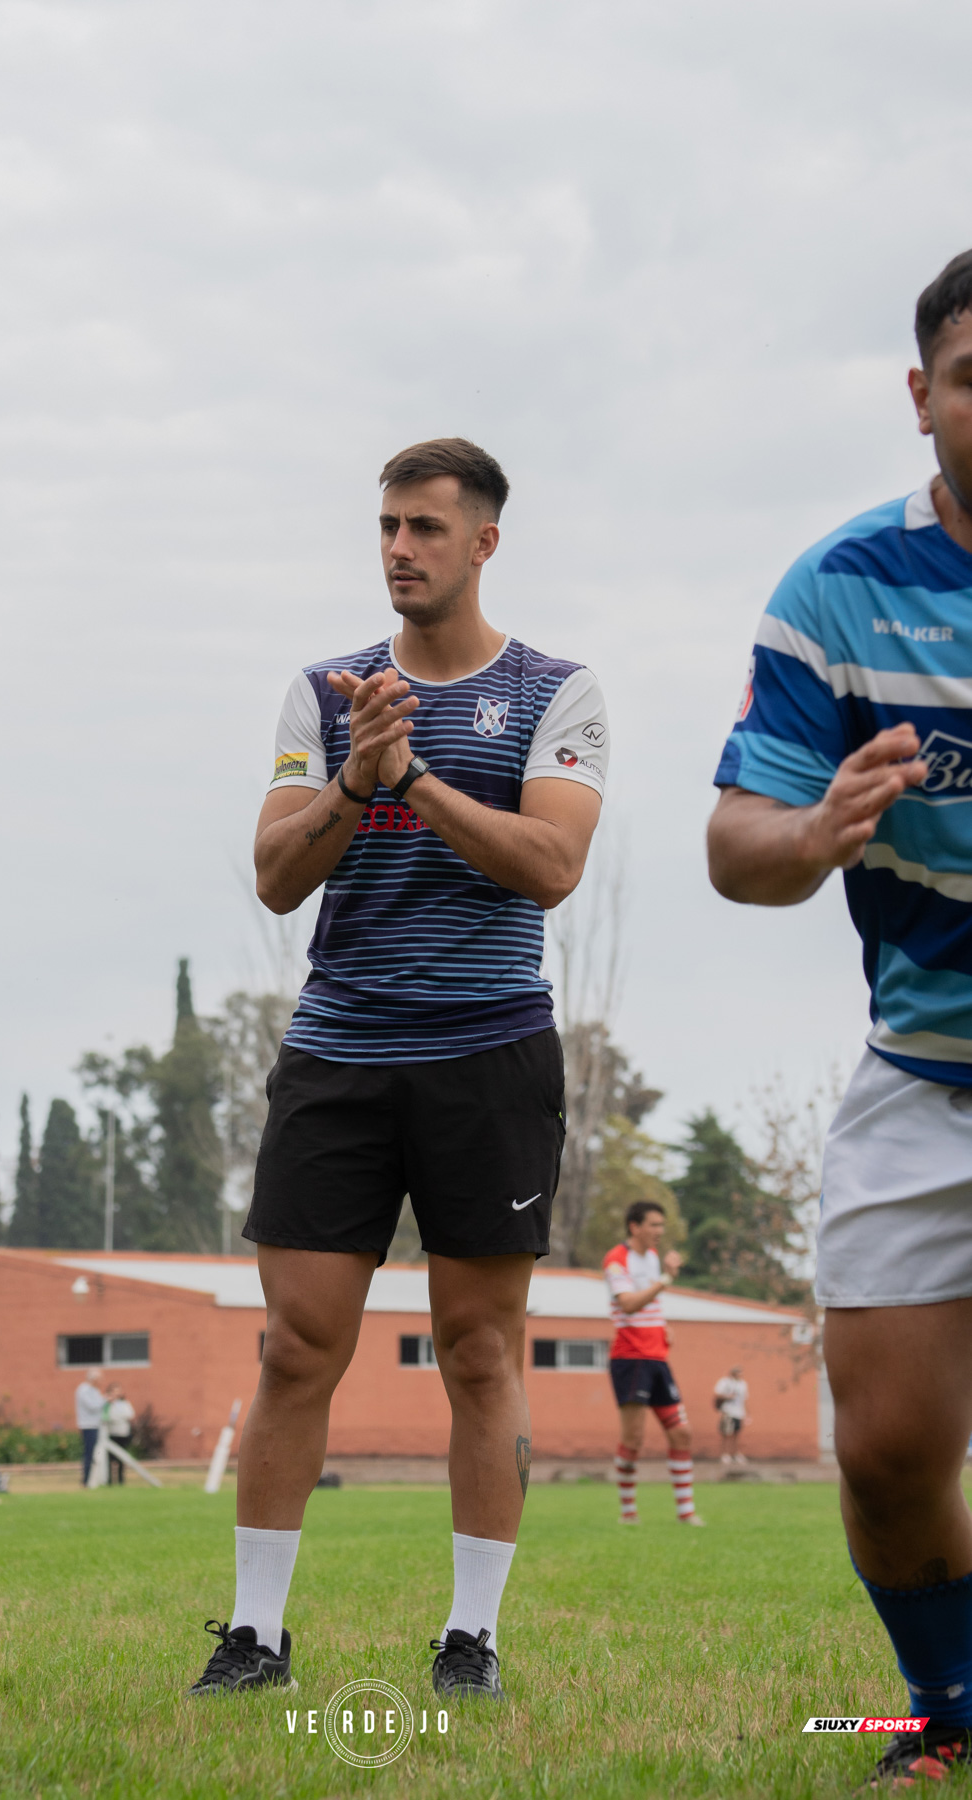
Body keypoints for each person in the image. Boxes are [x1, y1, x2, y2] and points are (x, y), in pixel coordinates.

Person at [187, 438, 607, 1701]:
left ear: (483, 541)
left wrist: (409, 777)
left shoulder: (557, 691)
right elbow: (272, 879)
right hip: (340, 1056)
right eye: (385, 526)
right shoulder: (323, 693)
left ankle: (469, 1637)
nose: (399, 550)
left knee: (478, 1352)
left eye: (425, 528)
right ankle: (256, 1636)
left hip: (489, 1055)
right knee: (295, 1347)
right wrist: (356, 782)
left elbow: (549, 866)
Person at [707, 249, 972, 1785]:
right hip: (923, 1077)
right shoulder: (837, 591)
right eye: (970, 375)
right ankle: (940, 1705)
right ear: (920, 396)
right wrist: (811, 836)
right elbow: (734, 843)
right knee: (882, 1454)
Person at [603, 1202, 702, 1528]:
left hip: (657, 1358)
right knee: (633, 1441)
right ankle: (627, 1511)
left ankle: (686, 1512)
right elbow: (628, 1304)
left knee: (682, 1433)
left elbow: (649, 1305)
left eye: (662, 1225)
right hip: (630, 1360)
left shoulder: (652, 1258)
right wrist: (666, 1279)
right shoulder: (617, 1259)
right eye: (654, 1224)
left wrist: (663, 1326)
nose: (660, 1231)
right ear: (634, 1226)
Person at [75, 1369, 106, 1485]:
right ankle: (86, 1480)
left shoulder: (95, 1390)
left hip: (96, 1424)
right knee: (89, 1453)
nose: (101, 1381)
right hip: (88, 1425)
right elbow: (92, 1406)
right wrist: (106, 1400)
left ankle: (93, 1478)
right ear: (93, 1379)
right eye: (100, 1378)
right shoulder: (83, 1390)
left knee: (94, 1453)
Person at [713, 1366, 748, 1464]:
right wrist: (728, 1396)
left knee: (736, 1433)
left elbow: (744, 1400)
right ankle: (725, 1454)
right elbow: (717, 1394)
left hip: (738, 1412)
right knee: (726, 1433)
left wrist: (746, 1414)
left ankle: (735, 1454)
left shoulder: (743, 1384)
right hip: (727, 1411)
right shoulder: (725, 1382)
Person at [105, 1386, 135, 1484]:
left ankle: (121, 1480)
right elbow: (108, 1417)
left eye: (118, 1391)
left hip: (123, 1434)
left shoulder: (125, 1403)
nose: (117, 1394)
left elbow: (130, 1414)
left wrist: (118, 1416)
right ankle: (109, 1480)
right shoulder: (107, 1404)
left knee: (121, 1458)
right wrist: (119, 1416)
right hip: (111, 1434)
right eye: (114, 1391)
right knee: (110, 1459)